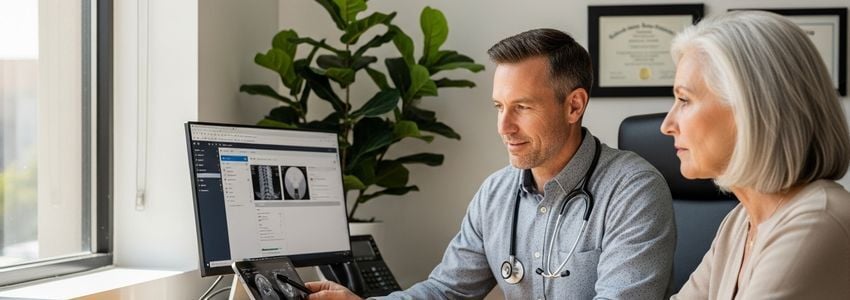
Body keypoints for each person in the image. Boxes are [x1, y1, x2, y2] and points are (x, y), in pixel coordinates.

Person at [307, 28, 676, 299]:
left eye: (522, 107)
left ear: (574, 106)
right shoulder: (496, 193)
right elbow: (446, 290)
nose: (504, 127)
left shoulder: (633, 191)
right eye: (499, 107)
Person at [663, 11, 850, 299]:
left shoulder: (817, 222)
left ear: (750, 110)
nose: (667, 125)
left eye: (684, 100)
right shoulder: (740, 222)